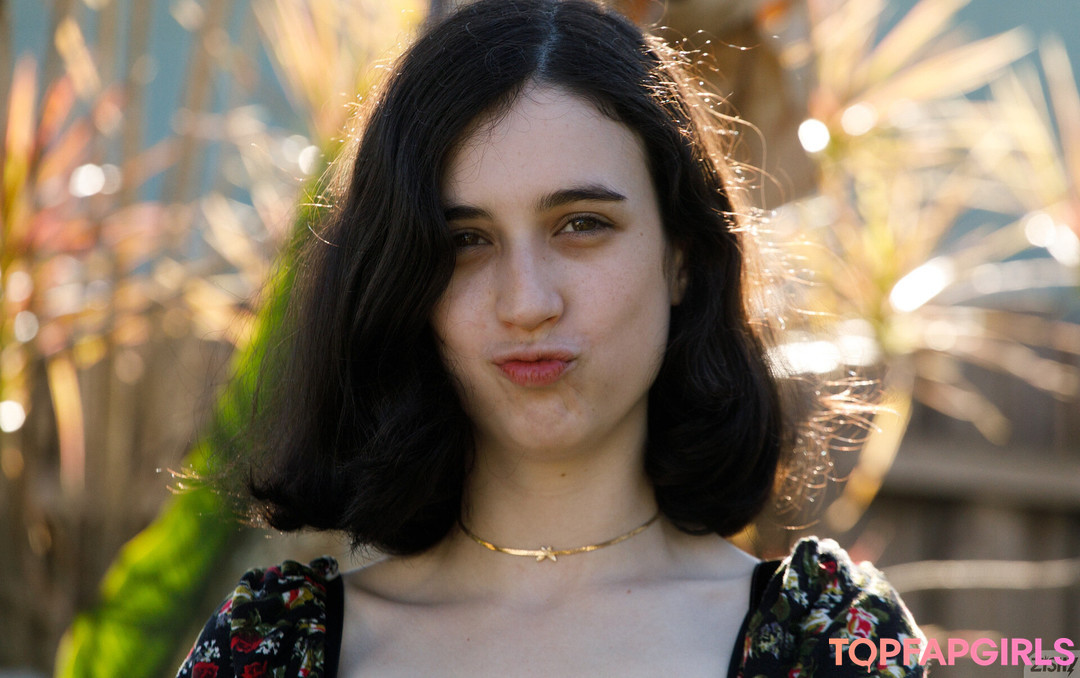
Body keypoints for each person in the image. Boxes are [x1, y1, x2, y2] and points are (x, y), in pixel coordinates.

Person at [177, 0, 925, 676]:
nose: (527, 303)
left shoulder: (826, 643)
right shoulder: (275, 649)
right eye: (466, 240)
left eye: (581, 225)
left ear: (682, 256)